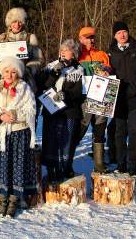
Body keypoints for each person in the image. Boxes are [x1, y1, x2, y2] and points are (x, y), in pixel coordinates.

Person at [0, 57, 37, 218]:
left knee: (17, 165)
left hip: (19, 132)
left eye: (13, 72)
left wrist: (14, 114)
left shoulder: (25, 88)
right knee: (1, 165)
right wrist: (0, 116)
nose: (10, 74)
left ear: (18, 74)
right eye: (7, 71)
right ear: (2, 72)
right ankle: (2, 200)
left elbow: (31, 110)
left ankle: (14, 200)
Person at [107, 21, 136, 176]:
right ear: (114, 35)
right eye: (119, 33)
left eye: (124, 32)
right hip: (118, 99)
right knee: (120, 133)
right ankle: (121, 164)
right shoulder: (110, 52)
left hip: (135, 98)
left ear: (128, 32)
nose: (122, 35)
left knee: (134, 132)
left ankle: (132, 166)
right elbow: (106, 71)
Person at [41, 39, 84, 183]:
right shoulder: (52, 66)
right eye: (62, 50)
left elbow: (79, 92)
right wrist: (54, 73)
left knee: (67, 141)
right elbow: (44, 85)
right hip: (52, 108)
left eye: (67, 50)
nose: (63, 52)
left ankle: (65, 167)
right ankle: (51, 169)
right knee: (51, 140)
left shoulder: (78, 69)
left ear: (74, 53)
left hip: (69, 111)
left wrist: (66, 95)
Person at [76, 26, 111, 173]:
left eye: (92, 37)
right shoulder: (77, 55)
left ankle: (99, 165)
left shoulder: (102, 54)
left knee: (100, 129)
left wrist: (106, 71)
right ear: (81, 39)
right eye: (87, 37)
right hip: (83, 99)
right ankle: (65, 161)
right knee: (80, 129)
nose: (91, 39)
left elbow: (109, 69)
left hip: (101, 96)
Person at [0, 7, 44, 93]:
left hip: (25, 79)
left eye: (20, 22)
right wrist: (2, 67)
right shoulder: (2, 39)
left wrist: (29, 69)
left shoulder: (30, 38)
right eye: (14, 22)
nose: (17, 25)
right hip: (5, 79)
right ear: (9, 24)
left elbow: (38, 59)